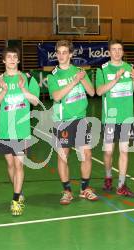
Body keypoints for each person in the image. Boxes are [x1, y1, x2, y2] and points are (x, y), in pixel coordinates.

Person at [0, 47, 40, 216]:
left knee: (19, 164)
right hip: (4, 131)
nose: (12, 59)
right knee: (10, 164)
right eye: (8, 57)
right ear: (3, 61)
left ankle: (16, 199)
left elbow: (35, 101)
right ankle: (18, 191)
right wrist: (4, 90)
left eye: (15, 57)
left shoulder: (28, 78)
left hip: (22, 130)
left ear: (18, 60)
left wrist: (24, 89)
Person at [47, 40, 98, 205]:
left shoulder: (80, 71)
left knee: (87, 155)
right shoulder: (53, 75)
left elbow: (91, 92)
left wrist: (82, 79)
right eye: (58, 52)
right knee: (63, 156)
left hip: (81, 119)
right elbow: (56, 96)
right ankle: (67, 190)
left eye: (64, 52)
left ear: (70, 54)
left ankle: (84, 189)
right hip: (63, 122)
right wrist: (74, 81)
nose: (61, 55)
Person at [95, 40, 134, 197]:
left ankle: (121, 185)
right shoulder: (102, 69)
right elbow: (99, 91)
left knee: (124, 151)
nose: (116, 52)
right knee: (108, 152)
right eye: (113, 49)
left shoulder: (130, 68)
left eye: (119, 49)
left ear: (122, 52)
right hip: (110, 119)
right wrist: (115, 79)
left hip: (127, 118)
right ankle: (108, 176)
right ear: (109, 52)